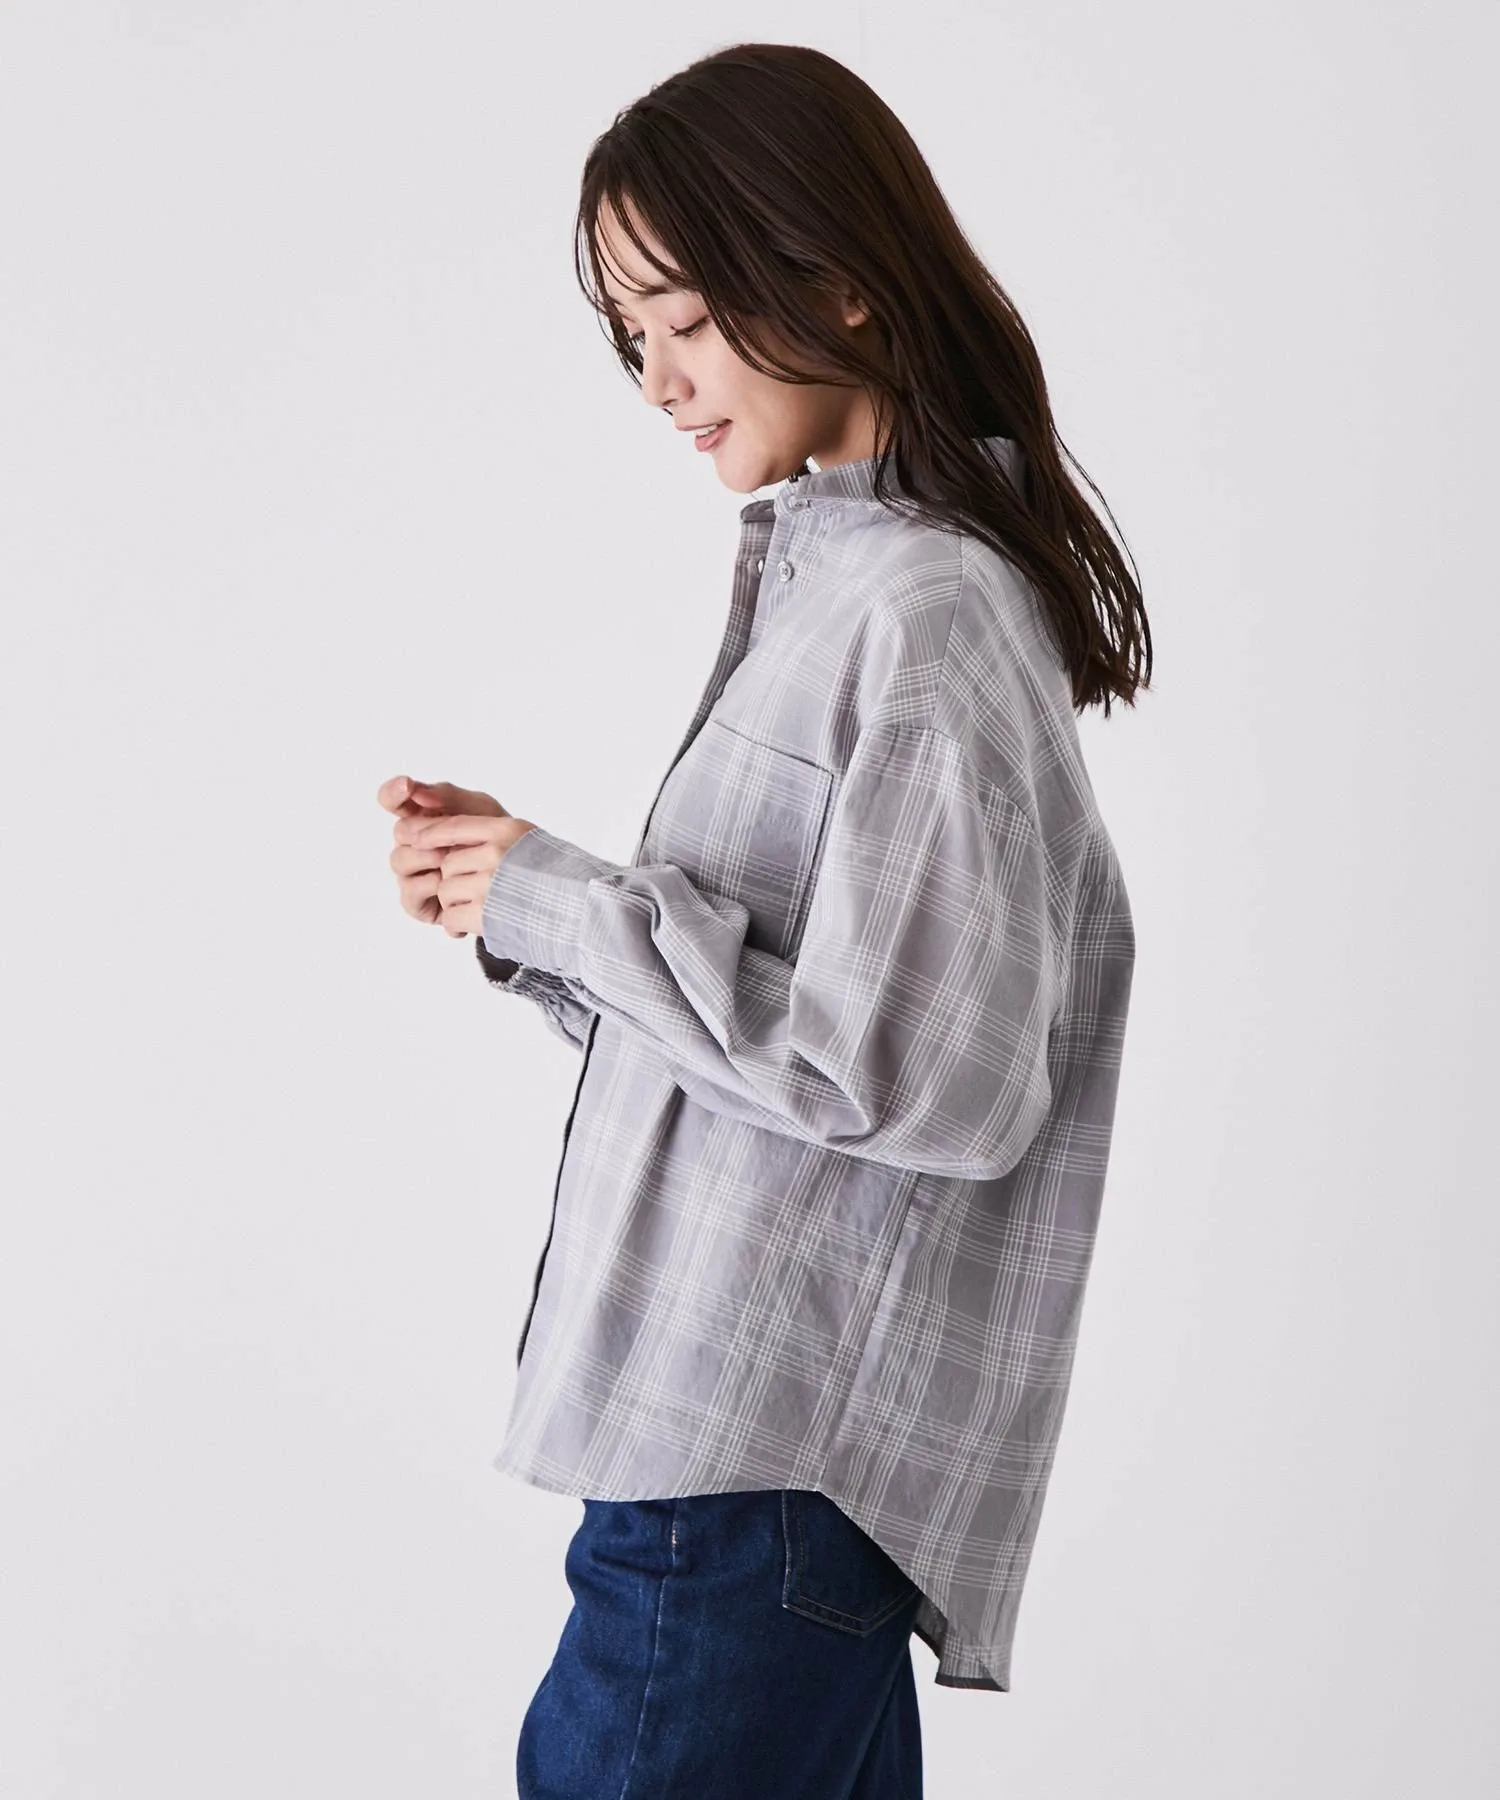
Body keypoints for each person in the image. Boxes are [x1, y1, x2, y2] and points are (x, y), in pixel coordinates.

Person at [379, 40, 1150, 1800]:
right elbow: (788, 1050)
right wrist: (523, 901)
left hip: (746, 1495)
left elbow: (920, 1079)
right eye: (629, 334)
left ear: (838, 282)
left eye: (682, 316)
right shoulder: (850, 586)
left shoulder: (924, 611)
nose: (657, 377)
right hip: (749, 1497)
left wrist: (569, 900)